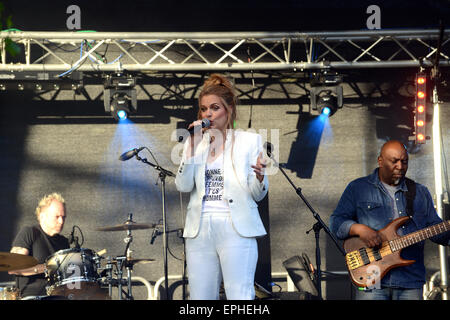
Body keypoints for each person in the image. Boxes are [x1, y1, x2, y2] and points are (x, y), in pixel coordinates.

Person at [175, 73, 269, 300]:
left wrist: (260, 178)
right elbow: (183, 185)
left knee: (240, 295)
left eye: (215, 108)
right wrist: (191, 149)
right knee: (200, 297)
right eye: (204, 109)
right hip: (199, 229)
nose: (208, 114)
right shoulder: (195, 143)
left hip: (234, 226)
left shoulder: (249, 141)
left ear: (229, 109)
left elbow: (257, 195)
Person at [329, 140, 450, 300]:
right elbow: (336, 222)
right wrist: (359, 229)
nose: (400, 166)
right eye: (394, 161)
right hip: (372, 277)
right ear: (380, 161)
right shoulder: (358, 188)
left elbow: (435, 229)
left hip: (410, 280)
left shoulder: (420, 192)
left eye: (404, 161)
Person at [9, 193, 70, 298]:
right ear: (42, 216)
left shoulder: (64, 242)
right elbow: (13, 266)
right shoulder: (30, 233)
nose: (61, 221)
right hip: (33, 296)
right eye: (57, 217)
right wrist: (47, 268)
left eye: (63, 217)